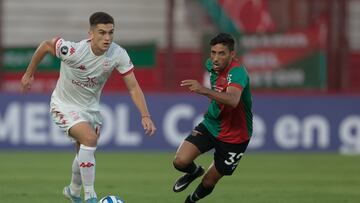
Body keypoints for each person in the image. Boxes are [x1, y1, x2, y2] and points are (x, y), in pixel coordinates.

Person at [20, 12, 156, 203]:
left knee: (84, 149)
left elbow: (133, 86)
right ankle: (90, 196)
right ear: (91, 34)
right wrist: (29, 74)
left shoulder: (118, 54)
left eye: (111, 32)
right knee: (89, 139)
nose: (107, 38)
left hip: (90, 109)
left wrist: (145, 115)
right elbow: (45, 45)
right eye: (102, 33)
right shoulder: (73, 50)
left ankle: (73, 190)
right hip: (63, 105)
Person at [173, 33, 253, 203]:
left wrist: (203, 90)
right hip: (211, 124)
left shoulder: (237, 73)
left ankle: (191, 200)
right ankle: (194, 171)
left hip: (235, 136)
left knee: (209, 181)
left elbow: (233, 100)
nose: (215, 58)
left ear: (232, 54)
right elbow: (219, 89)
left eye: (221, 53)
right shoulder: (210, 65)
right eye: (213, 52)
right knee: (180, 161)